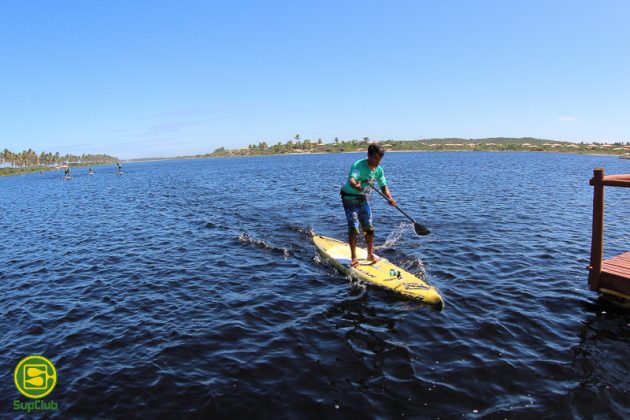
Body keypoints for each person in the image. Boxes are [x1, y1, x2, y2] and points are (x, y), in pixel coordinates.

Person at [340, 143, 397, 267]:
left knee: (369, 229)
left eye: (380, 159)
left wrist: (390, 198)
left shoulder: (379, 170)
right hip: (349, 198)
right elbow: (352, 179)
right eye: (375, 158)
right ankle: (354, 257)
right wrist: (357, 185)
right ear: (368, 156)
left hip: (363, 199)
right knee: (354, 228)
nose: (378, 162)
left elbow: (383, 187)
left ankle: (370, 254)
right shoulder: (358, 165)